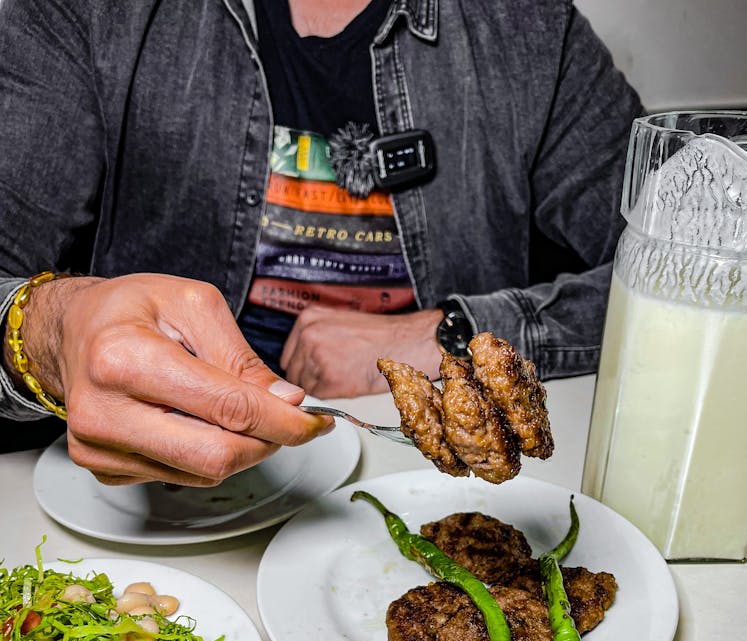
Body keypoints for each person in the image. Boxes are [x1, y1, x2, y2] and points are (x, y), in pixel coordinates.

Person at [0, 0, 643, 484]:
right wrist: (53, 333)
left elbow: (713, 267)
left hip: (421, 492)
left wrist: (451, 336)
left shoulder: (532, 30)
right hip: (152, 512)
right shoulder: (83, 13)